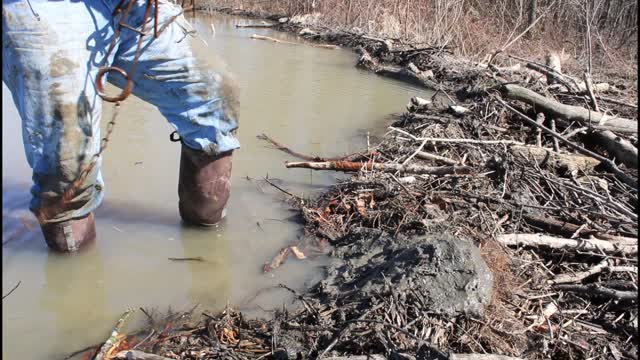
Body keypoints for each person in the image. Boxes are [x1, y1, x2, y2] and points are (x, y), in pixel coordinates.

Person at [2, 0, 240, 252]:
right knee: (67, 164)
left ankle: (207, 245)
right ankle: (76, 275)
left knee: (215, 96)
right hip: (45, 9)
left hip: (133, 6)